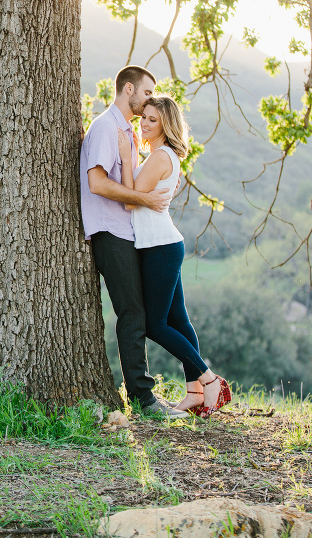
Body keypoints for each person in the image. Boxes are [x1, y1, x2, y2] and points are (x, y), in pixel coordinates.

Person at [80, 65, 187, 419]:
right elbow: (97, 183)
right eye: (145, 93)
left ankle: (150, 395)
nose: (147, 101)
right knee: (133, 313)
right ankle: (144, 400)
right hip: (110, 232)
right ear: (129, 90)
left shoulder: (129, 133)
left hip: (129, 234)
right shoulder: (107, 127)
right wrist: (144, 200)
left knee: (140, 313)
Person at [117, 95, 231, 418]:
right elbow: (141, 195)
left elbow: (129, 200)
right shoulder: (161, 156)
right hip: (164, 243)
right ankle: (195, 391)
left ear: (166, 124)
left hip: (159, 248)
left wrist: (128, 158)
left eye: (153, 120)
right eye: (144, 118)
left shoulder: (159, 157)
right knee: (179, 320)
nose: (145, 124)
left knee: (155, 324)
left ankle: (210, 380)